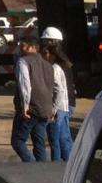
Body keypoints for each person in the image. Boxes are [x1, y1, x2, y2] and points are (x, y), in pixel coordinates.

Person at [12, 34, 55, 162]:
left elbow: (25, 85)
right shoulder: (48, 65)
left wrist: (25, 106)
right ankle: (42, 170)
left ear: (31, 47)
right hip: (45, 109)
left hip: (31, 108)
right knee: (39, 142)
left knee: (18, 141)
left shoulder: (23, 61)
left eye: (23, 45)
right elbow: (54, 87)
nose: (20, 47)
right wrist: (53, 108)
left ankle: (31, 165)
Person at [41, 28, 75, 161]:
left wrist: (53, 109)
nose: (44, 45)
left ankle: (62, 165)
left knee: (58, 140)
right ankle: (68, 164)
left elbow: (59, 89)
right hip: (67, 104)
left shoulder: (56, 65)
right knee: (63, 138)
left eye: (45, 41)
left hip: (61, 105)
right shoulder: (63, 59)